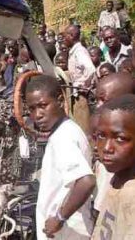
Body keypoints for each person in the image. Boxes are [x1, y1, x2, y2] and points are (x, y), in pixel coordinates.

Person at [25, 75, 95, 239]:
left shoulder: (63, 137)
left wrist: (60, 218)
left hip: (68, 232)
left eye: (43, 105)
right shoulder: (65, 130)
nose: (37, 115)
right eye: (32, 109)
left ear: (60, 101)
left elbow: (86, 180)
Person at [92, 94, 135, 239]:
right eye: (101, 136)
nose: (107, 148)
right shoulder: (119, 178)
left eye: (120, 138)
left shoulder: (131, 195)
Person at [64, 24, 96, 133]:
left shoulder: (79, 51)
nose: (64, 40)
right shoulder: (73, 51)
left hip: (81, 95)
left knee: (83, 126)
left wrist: (82, 84)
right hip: (75, 94)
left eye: (65, 36)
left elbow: (91, 69)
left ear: (72, 36)